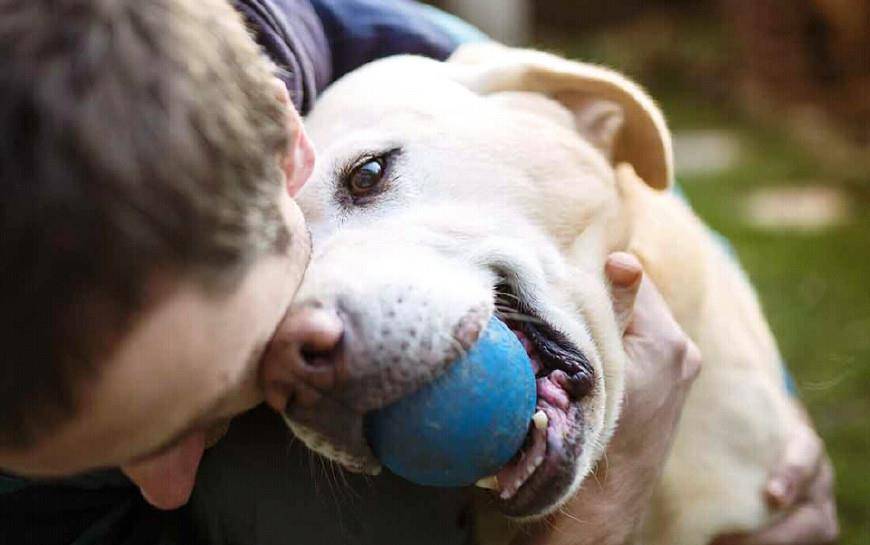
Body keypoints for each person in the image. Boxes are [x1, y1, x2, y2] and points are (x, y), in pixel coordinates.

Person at [0, 0, 836, 544]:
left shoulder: (416, 62)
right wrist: (599, 519)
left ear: (284, 143)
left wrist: (773, 412)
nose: (164, 487)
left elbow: (628, 191)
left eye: (366, 180)